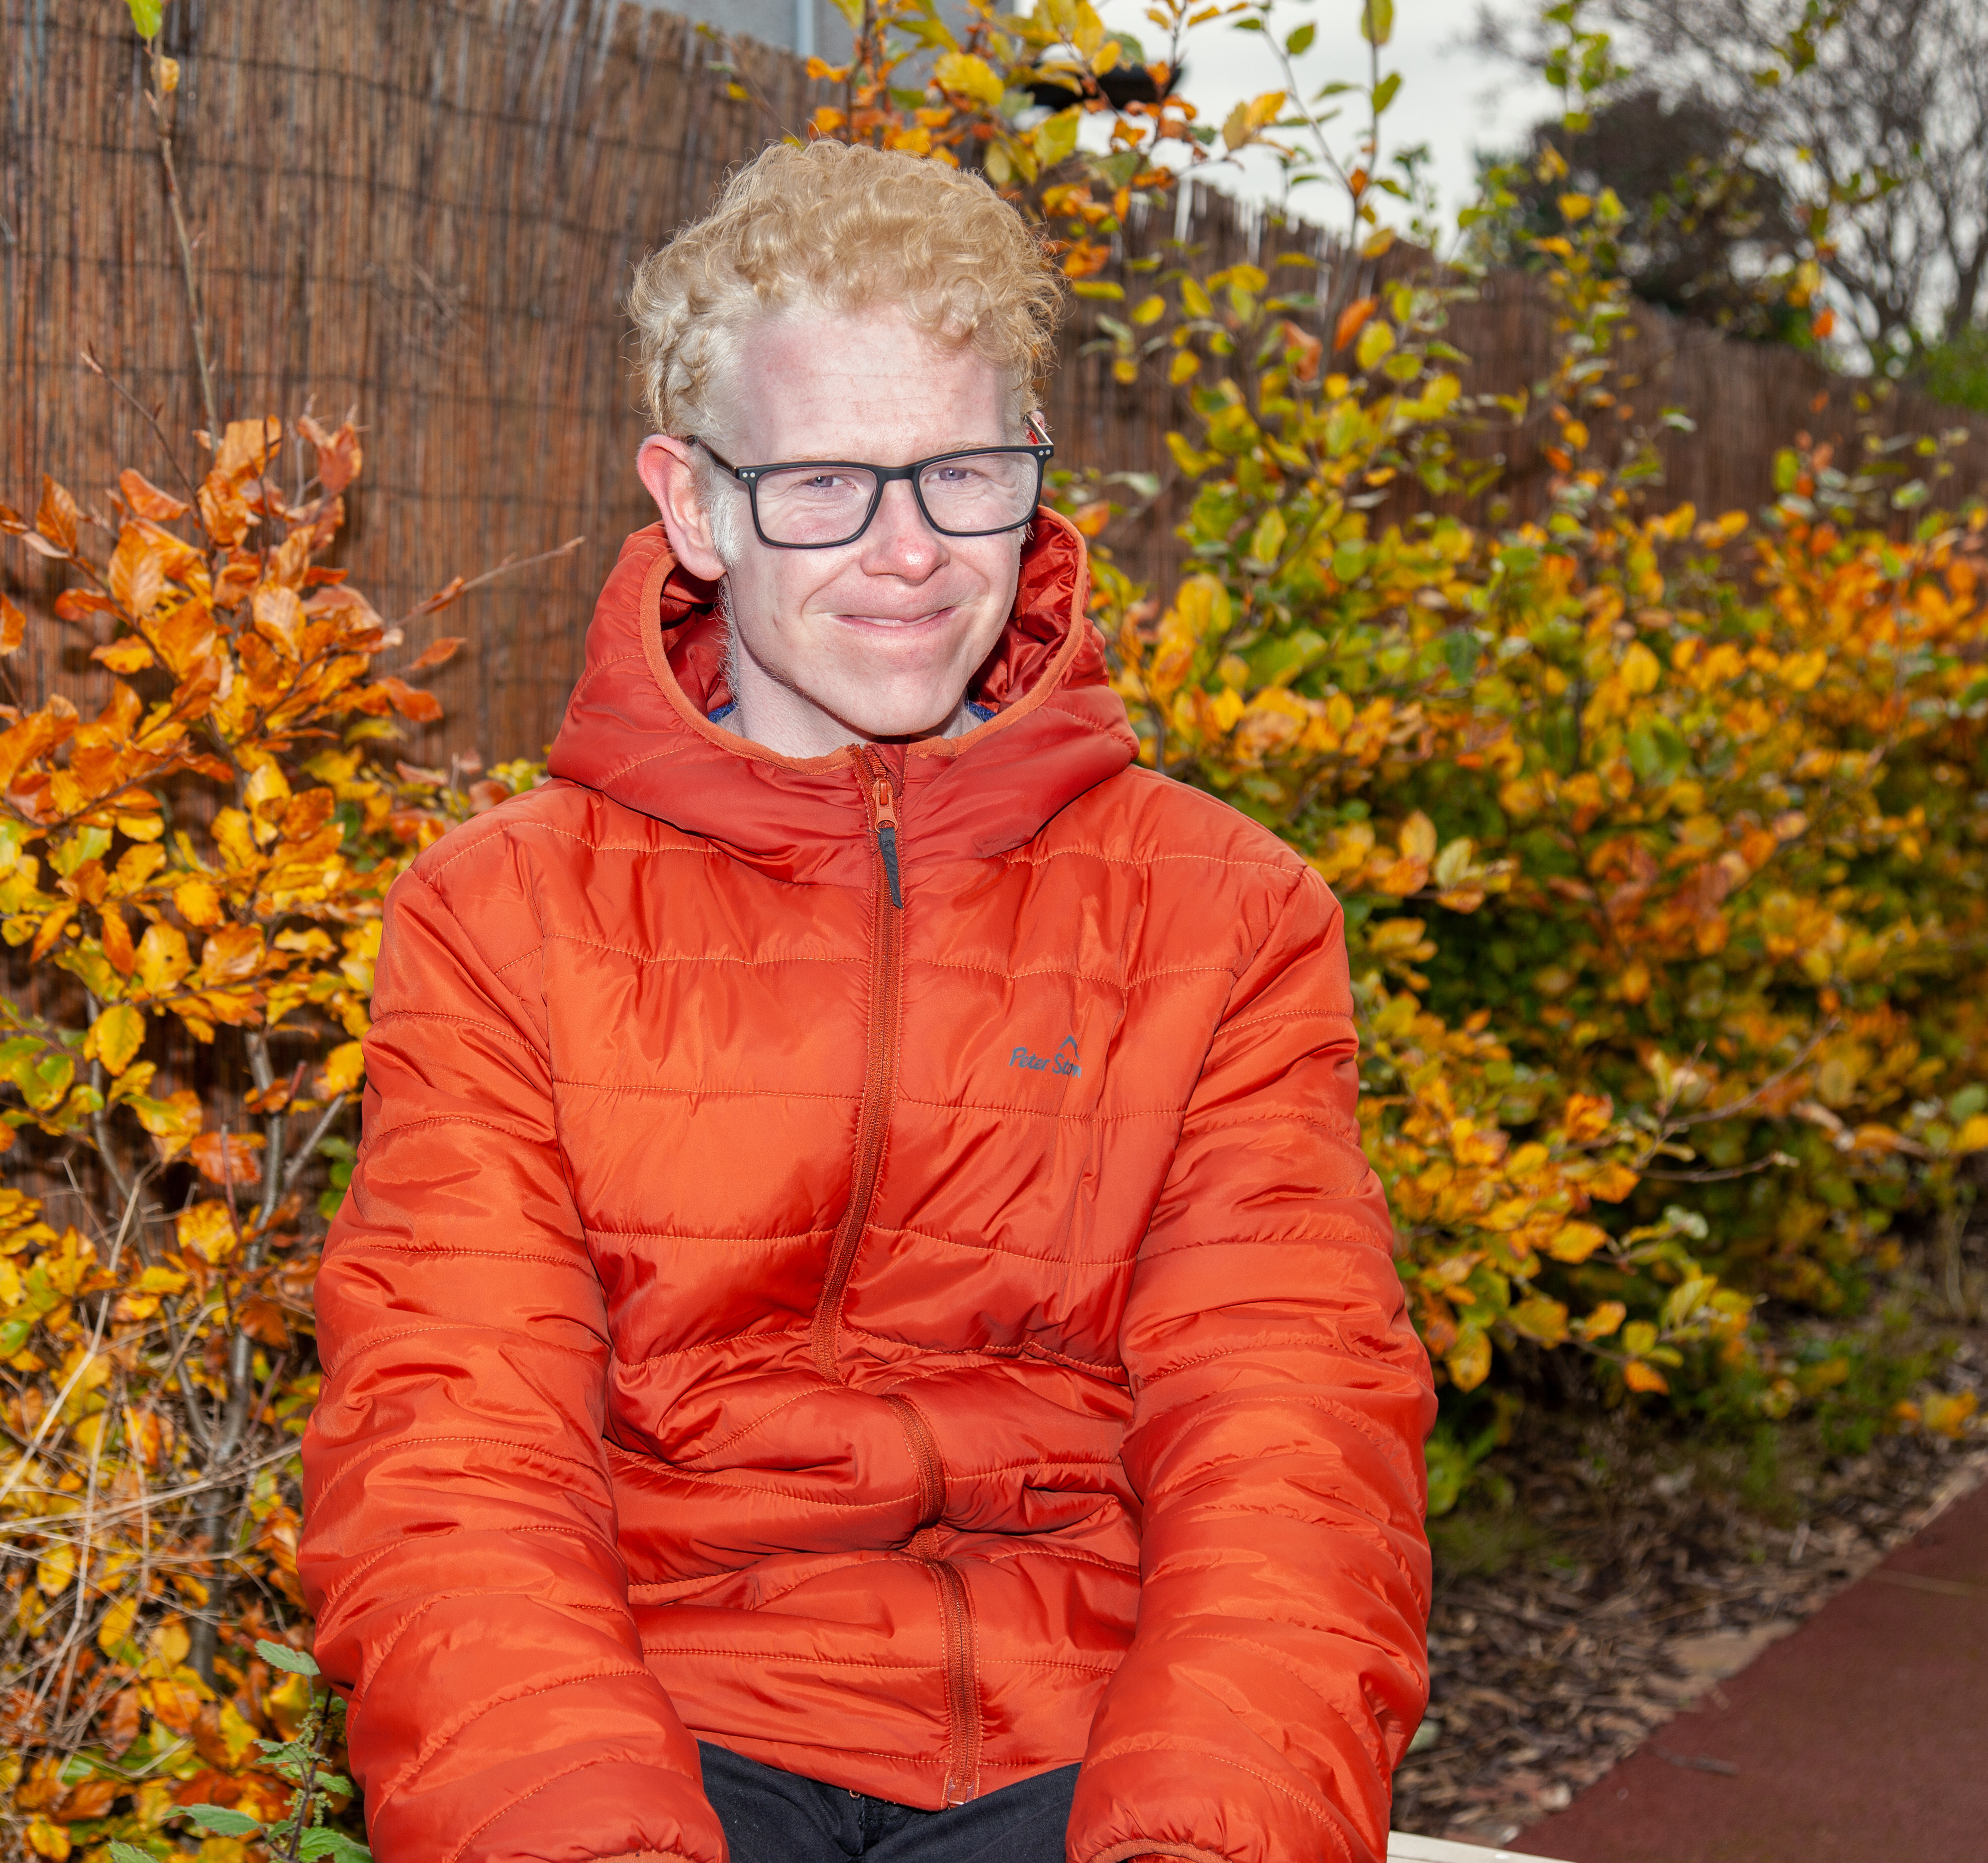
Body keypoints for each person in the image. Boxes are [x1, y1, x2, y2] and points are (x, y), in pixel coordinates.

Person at [300, 138, 1434, 1863]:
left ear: (1034, 483)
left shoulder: (1232, 913)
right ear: (692, 502)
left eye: (962, 473)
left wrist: (1204, 1839)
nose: (909, 551)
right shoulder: (501, 918)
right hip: (665, 1720)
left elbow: (1289, 1442)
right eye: (826, 482)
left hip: (1093, 1726)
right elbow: (454, 1455)